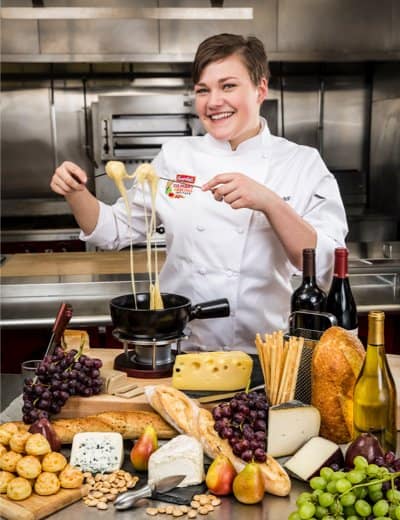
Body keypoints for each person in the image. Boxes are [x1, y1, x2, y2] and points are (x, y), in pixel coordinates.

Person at [50, 33, 348, 353]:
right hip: (178, 350)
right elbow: (114, 230)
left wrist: (270, 203)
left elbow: (325, 266)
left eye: (228, 86)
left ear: (260, 88)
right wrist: (75, 192)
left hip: (265, 353)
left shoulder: (300, 163)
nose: (213, 101)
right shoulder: (176, 158)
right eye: (203, 90)